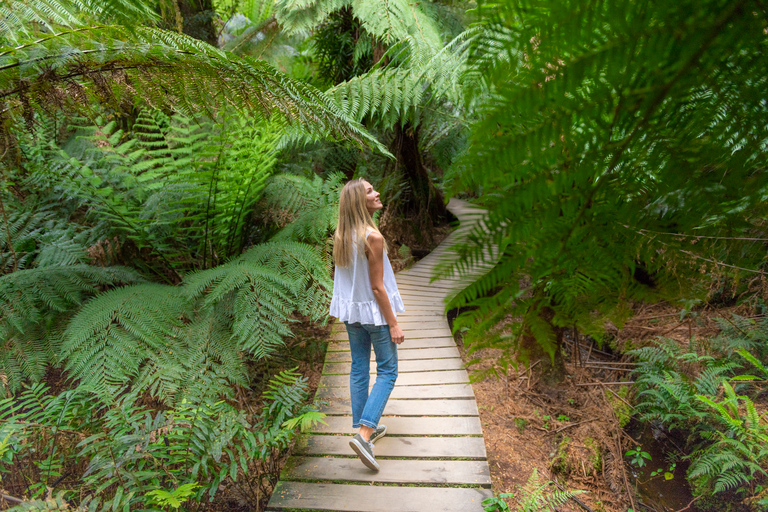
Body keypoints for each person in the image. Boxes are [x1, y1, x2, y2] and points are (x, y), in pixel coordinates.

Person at [329, 178, 405, 471]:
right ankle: (364, 434)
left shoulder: (342, 234)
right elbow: (377, 287)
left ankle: (365, 429)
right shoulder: (372, 237)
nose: (377, 194)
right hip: (373, 314)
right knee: (388, 370)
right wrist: (394, 323)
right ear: (360, 202)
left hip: (351, 313)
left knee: (359, 367)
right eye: (370, 191)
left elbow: (344, 279)